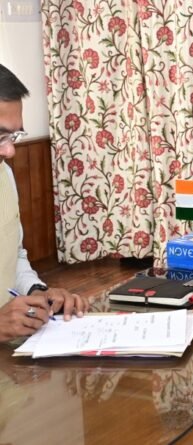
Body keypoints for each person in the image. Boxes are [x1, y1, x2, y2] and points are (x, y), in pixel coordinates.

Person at [0, 64, 88, 342]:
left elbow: (13, 257)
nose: (10, 151)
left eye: (13, 136)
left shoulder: (5, 176)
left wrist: (38, 292)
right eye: (0, 136)